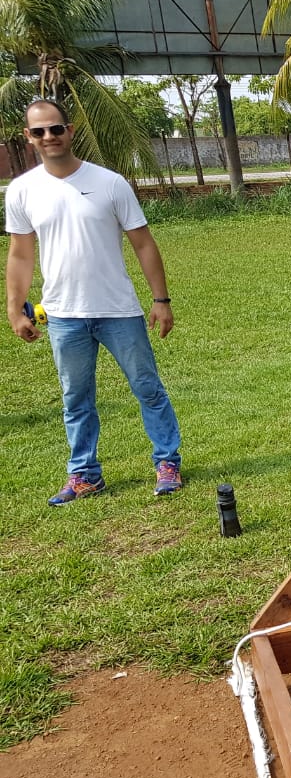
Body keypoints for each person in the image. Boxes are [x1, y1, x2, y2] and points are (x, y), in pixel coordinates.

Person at [6, 99, 184, 505]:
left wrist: (161, 299)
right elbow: (20, 254)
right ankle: (85, 475)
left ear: (70, 131)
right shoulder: (23, 190)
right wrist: (14, 308)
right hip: (64, 316)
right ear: (28, 138)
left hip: (119, 311)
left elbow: (143, 243)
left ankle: (167, 463)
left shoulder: (110, 182)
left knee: (147, 389)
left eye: (55, 129)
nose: (49, 137)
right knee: (76, 399)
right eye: (39, 132)